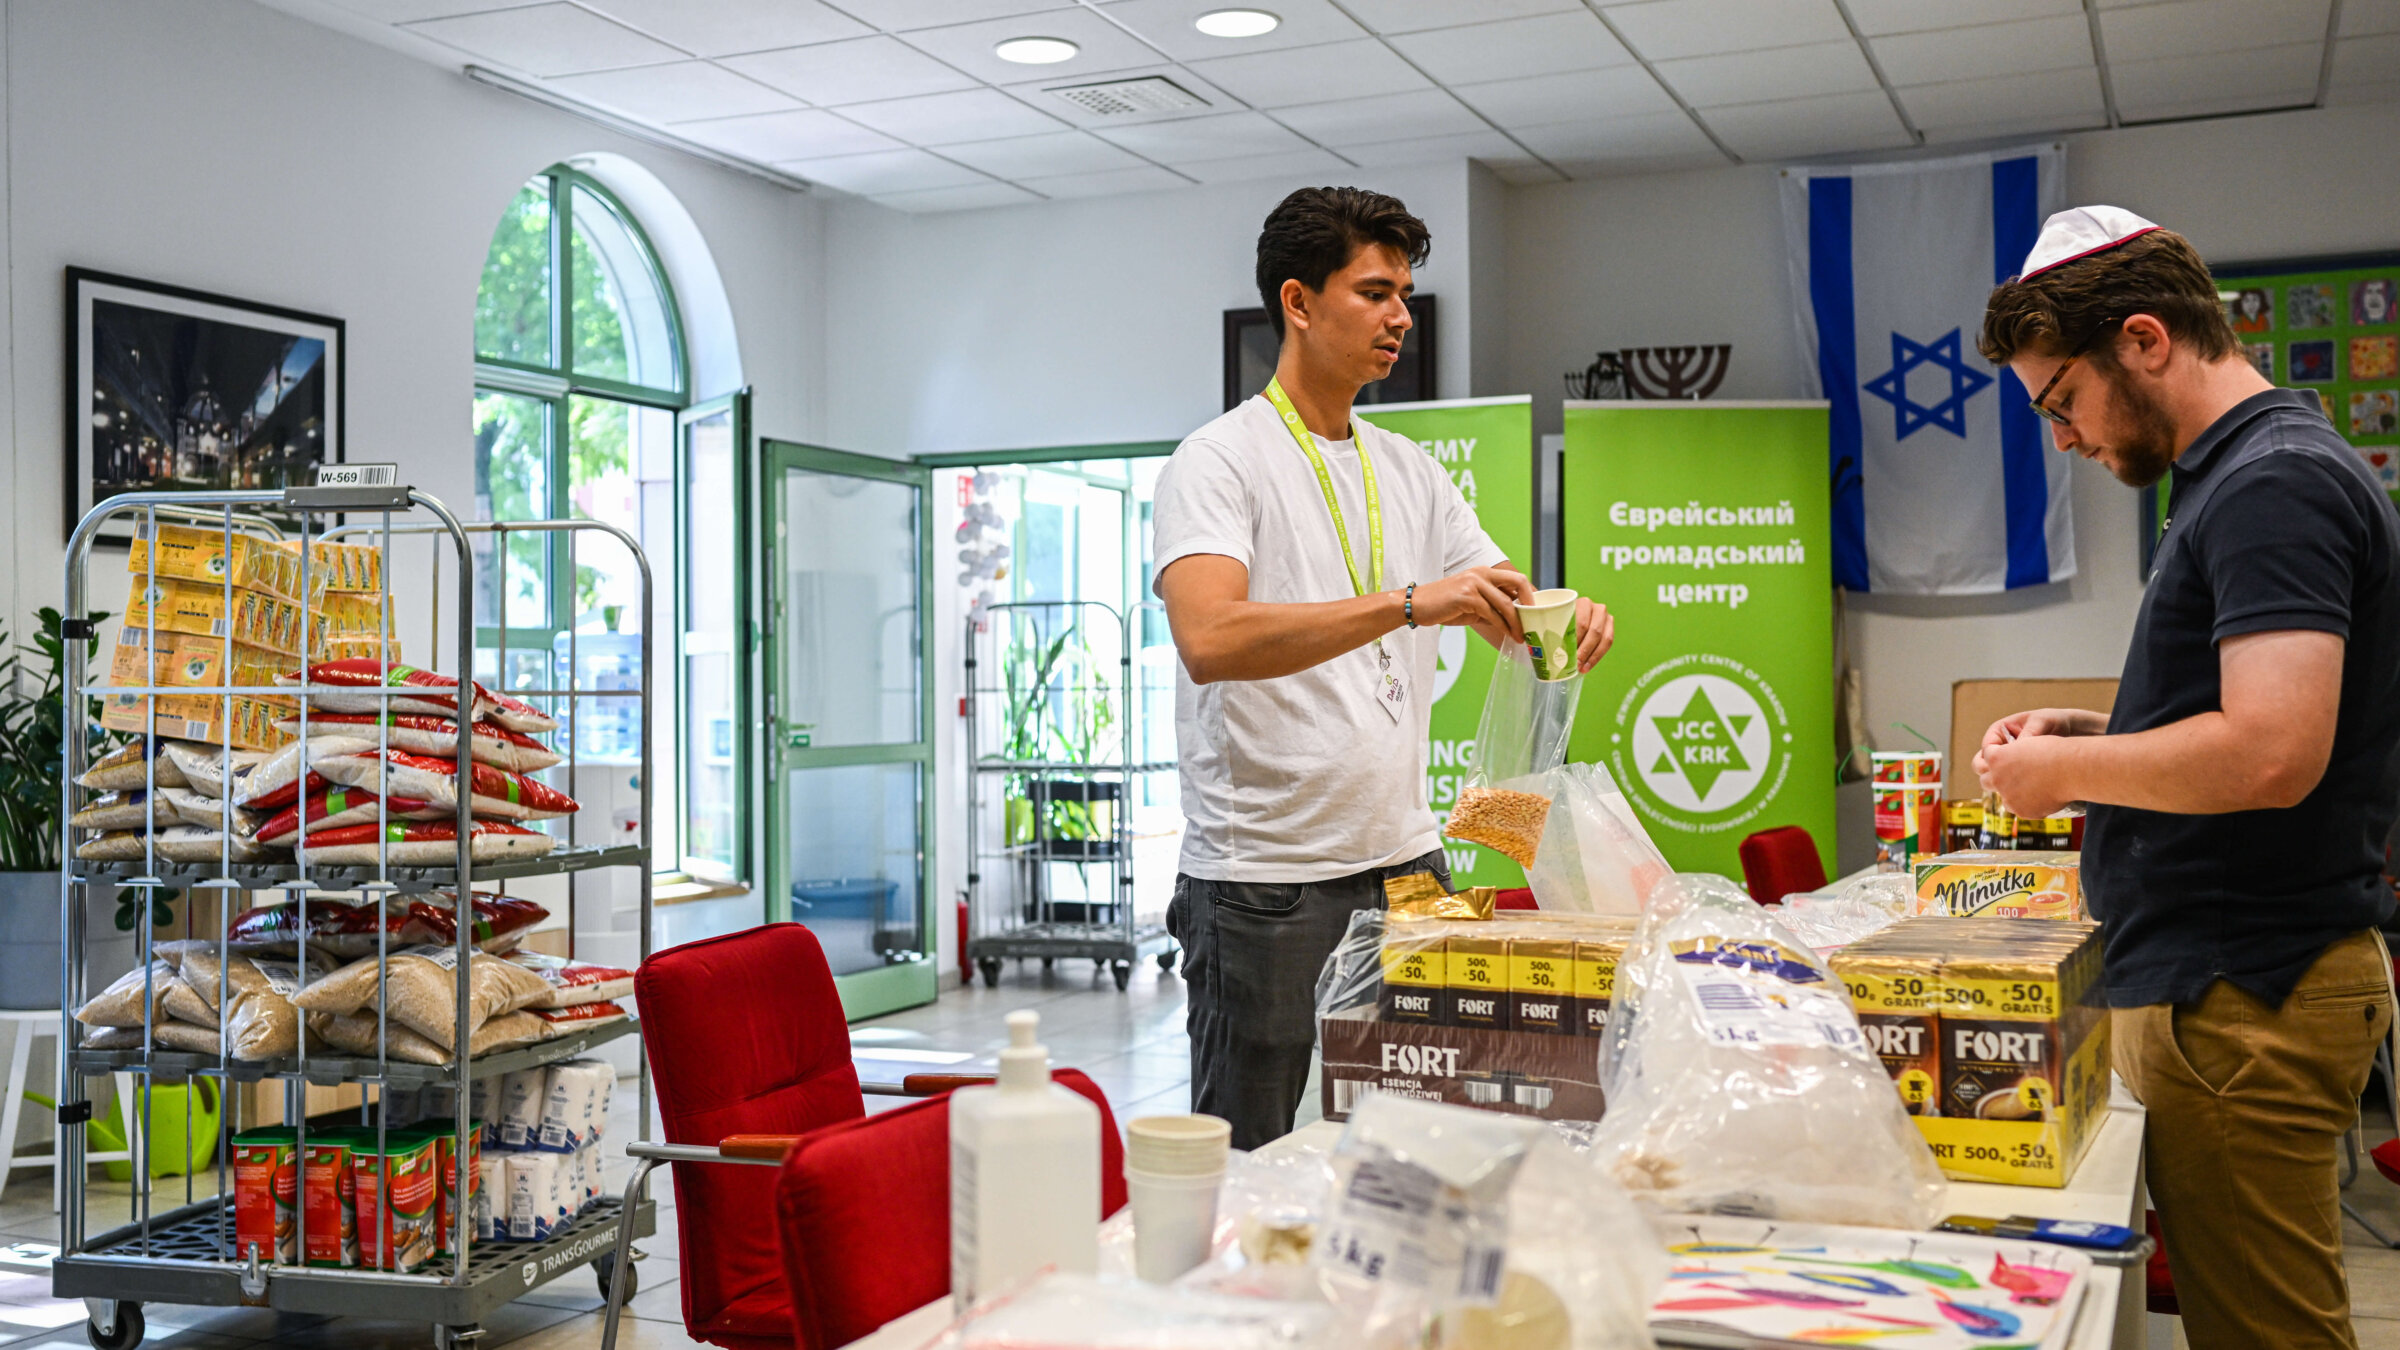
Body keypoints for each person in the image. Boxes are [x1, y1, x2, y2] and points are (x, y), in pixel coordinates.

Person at [1974, 206, 2400, 1350]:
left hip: (2244, 988)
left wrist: (2064, 770)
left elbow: (2270, 750)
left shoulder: (2273, 483)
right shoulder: (2242, 474)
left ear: (2147, 341)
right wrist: (2102, 726)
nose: (2061, 437)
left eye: (2061, 400)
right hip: (2229, 978)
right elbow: (2251, 712)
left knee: (2267, 1334)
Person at [1150, 186, 1612, 1148]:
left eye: (1405, 291)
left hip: (1405, 864)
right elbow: (1210, 638)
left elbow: (1502, 609)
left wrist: (1558, 621)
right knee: (1260, 1148)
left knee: (1412, 1137)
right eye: (1374, 291)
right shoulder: (1219, 461)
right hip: (1267, 883)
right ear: (1300, 301)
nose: (1401, 315)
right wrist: (1410, 602)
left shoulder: (1410, 468)